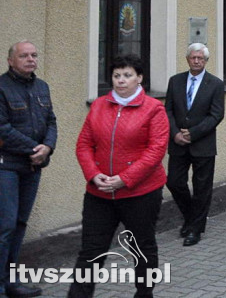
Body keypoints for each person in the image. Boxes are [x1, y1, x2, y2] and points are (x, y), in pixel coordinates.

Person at [69, 55, 168, 298]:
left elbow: (155, 151)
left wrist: (125, 178)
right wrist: (93, 175)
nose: (121, 81)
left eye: (127, 75)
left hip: (140, 194)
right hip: (99, 193)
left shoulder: (154, 109)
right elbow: (83, 145)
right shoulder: (99, 105)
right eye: (116, 76)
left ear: (139, 78)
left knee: (141, 248)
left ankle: (144, 294)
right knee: (91, 250)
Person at [1, 41, 57, 298]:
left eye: (34, 55)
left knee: (20, 223)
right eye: (24, 56)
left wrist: (47, 146)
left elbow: (51, 122)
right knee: (5, 225)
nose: (31, 59)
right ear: (11, 60)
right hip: (7, 166)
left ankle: (11, 282)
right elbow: (2, 129)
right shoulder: (1, 88)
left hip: (32, 167)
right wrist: (35, 148)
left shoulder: (42, 87)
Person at [164, 43, 225, 247]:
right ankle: (191, 217)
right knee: (174, 182)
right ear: (187, 59)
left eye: (200, 58)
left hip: (203, 144)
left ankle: (195, 230)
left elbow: (216, 114)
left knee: (202, 188)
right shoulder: (175, 81)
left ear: (206, 61)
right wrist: (175, 134)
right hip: (178, 143)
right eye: (193, 57)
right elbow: (168, 111)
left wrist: (194, 133)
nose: (196, 61)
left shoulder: (215, 84)